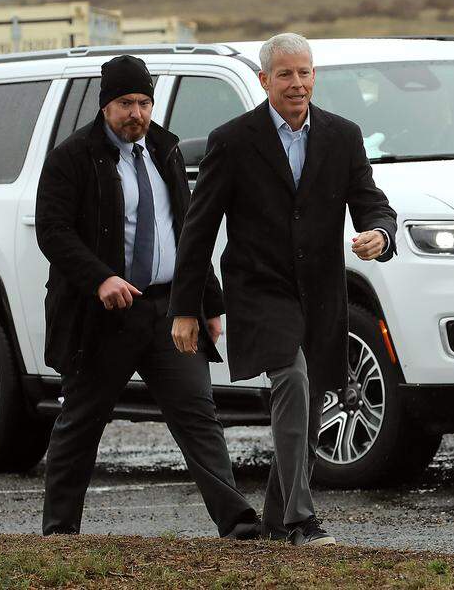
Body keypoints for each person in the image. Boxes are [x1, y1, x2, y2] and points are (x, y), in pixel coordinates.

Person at [169, 32, 397, 546]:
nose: (297, 83)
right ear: (264, 80)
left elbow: (371, 202)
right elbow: (198, 229)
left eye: (305, 72)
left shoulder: (342, 136)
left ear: (315, 76)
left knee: (310, 401)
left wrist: (380, 235)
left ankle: (275, 519)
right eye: (286, 74)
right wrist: (186, 309)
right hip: (258, 289)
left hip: (320, 293)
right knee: (292, 379)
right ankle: (300, 521)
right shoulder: (232, 140)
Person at [36, 55, 261, 539]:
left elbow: (189, 231)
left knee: (197, 413)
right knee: (81, 422)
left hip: (168, 311)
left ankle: (238, 522)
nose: (135, 113)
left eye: (143, 102)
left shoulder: (165, 149)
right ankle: (59, 533)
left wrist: (208, 302)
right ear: (105, 105)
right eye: (125, 103)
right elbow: (53, 231)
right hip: (103, 315)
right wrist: (100, 278)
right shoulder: (73, 157)